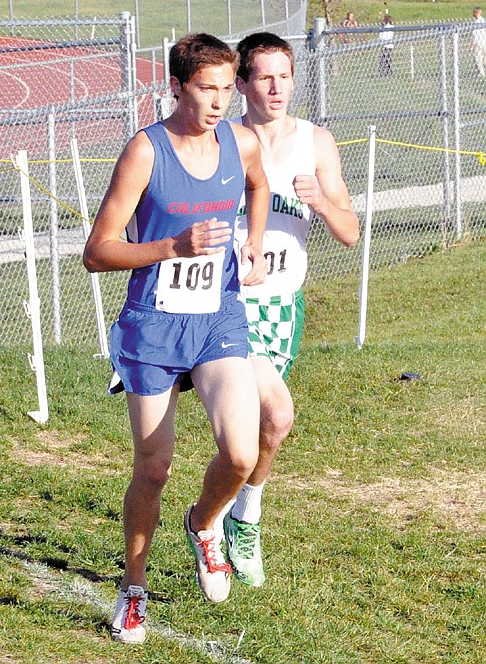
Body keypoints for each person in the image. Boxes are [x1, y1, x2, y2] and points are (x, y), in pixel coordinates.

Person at [83, 32, 270, 643]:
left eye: (227, 87)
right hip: (154, 326)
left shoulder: (240, 140)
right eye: (206, 89)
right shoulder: (145, 151)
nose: (221, 101)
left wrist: (254, 243)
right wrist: (171, 247)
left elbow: (258, 185)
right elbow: (96, 252)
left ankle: (204, 523)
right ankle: (133, 588)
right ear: (176, 87)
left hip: (217, 318)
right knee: (154, 466)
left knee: (242, 453)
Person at [213, 32, 360, 588]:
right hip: (223, 301)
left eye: (286, 76)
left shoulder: (316, 144)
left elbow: (349, 233)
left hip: (279, 307)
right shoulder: (221, 138)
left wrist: (319, 201)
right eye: (265, 77)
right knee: (275, 415)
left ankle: (227, 514)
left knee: (260, 429)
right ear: (244, 83)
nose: (277, 88)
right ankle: (234, 521)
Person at [471, 7, 486, 78]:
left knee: (479, 59)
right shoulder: (483, 21)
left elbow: (474, 35)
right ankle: (481, 72)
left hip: (479, 42)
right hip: (482, 42)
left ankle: (482, 73)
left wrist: (472, 45)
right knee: (481, 58)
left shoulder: (477, 22)